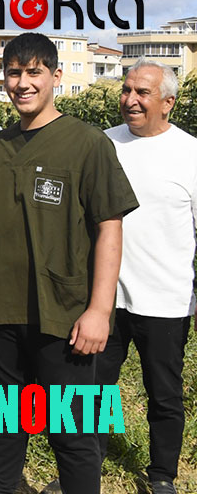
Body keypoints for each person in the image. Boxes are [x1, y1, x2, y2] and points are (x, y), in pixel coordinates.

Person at [0, 32, 137, 494]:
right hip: (2, 313)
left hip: (64, 315)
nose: (23, 83)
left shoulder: (87, 144)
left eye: (33, 72)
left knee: (71, 432)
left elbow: (109, 228)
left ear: (56, 76)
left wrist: (100, 310)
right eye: (14, 73)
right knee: (8, 426)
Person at [99, 60, 197, 494]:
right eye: (126, 90)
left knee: (164, 393)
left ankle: (162, 476)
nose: (131, 100)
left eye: (142, 92)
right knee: (92, 387)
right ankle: (83, 465)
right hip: (105, 298)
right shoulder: (103, 144)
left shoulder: (190, 154)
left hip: (166, 299)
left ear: (168, 102)